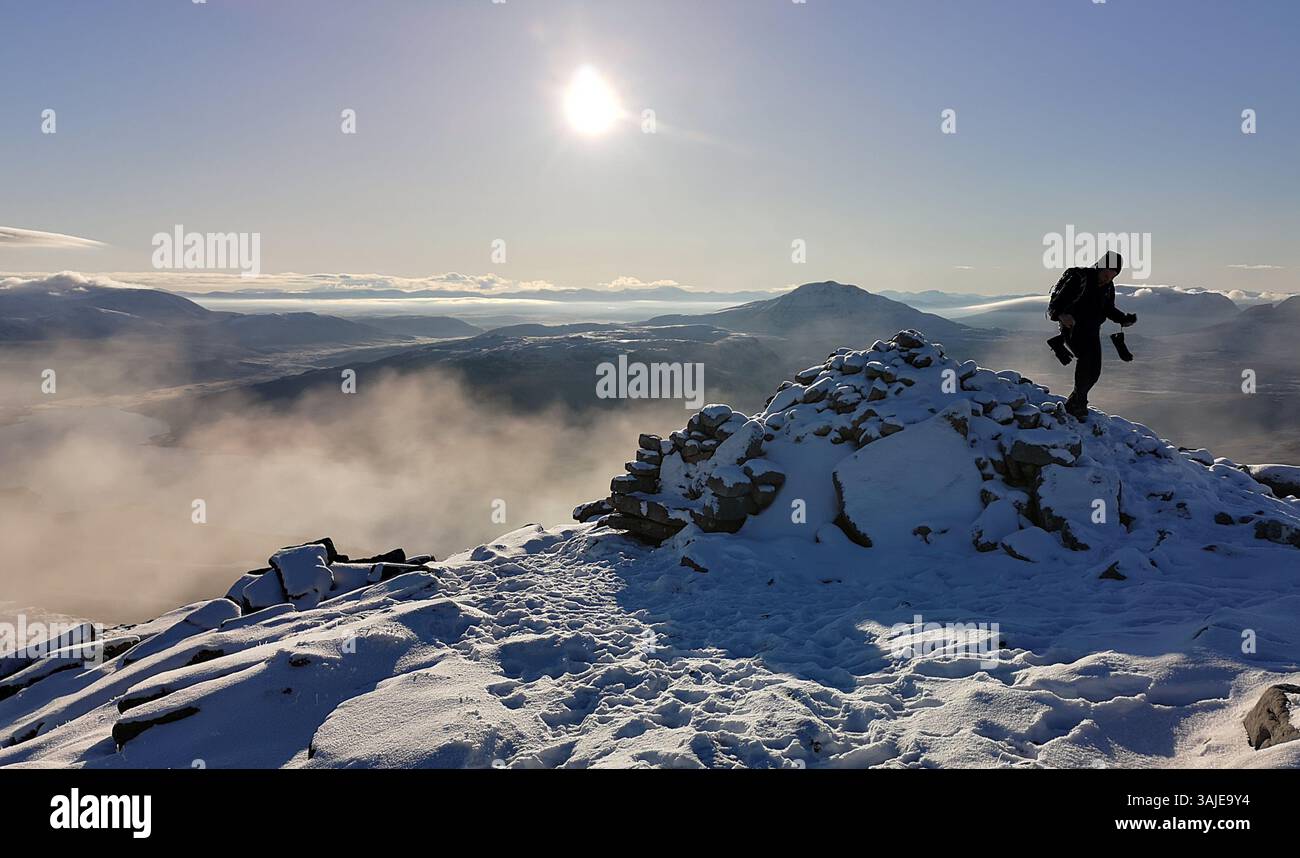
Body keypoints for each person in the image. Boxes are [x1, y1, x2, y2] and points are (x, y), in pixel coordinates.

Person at [1045, 251, 1137, 421]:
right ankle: (1078, 403)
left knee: (1094, 371)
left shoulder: (1108, 287)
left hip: (1092, 330)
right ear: (1100, 267)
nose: (1109, 277)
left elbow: (1107, 309)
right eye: (1107, 272)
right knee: (1086, 360)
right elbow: (1055, 305)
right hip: (1072, 328)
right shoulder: (1080, 279)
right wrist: (1062, 316)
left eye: (1113, 275)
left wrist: (1123, 319)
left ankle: (1076, 401)